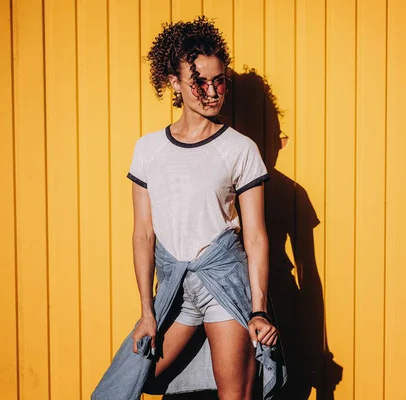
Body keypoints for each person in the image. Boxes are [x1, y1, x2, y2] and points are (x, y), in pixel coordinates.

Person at [91, 16, 286, 400]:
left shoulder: (239, 148)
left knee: (236, 396)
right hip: (175, 289)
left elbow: (256, 234)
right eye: (200, 82)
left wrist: (259, 309)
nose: (212, 92)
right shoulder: (149, 149)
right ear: (174, 83)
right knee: (129, 382)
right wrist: (147, 312)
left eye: (220, 81)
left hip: (224, 285)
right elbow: (143, 234)